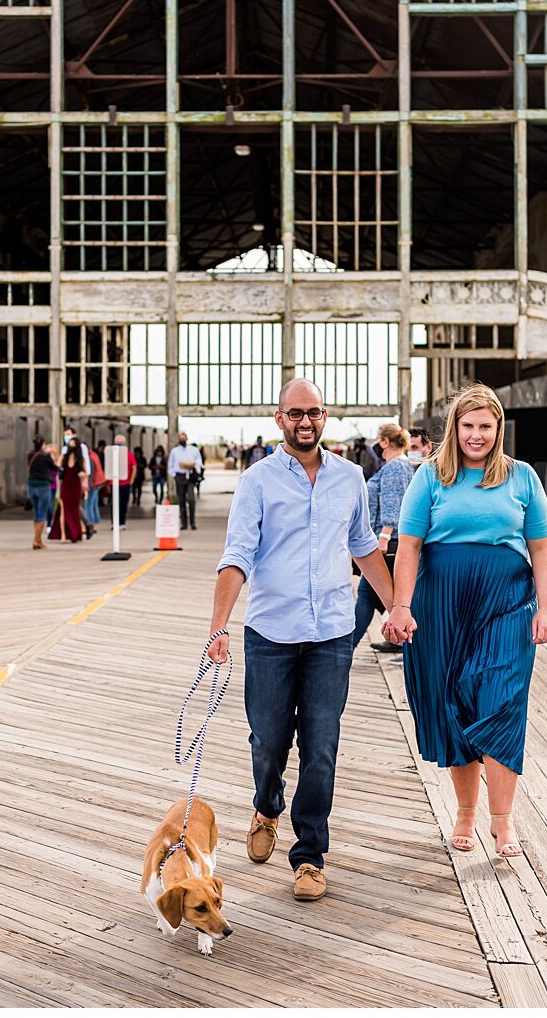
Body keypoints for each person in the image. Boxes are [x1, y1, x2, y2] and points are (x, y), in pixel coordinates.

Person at [208, 380, 403, 903]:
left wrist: (397, 608)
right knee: (267, 741)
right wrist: (218, 625)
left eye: (314, 413)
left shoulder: (350, 477)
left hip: (333, 634)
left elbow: (363, 546)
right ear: (279, 419)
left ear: (325, 417)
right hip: (271, 631)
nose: (305, 422)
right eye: (295, 414)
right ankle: (267, 806)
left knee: (321, 747)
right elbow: (237, 554)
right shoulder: (258, 481)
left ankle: (310, 855)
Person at [383, 385, 547, 859]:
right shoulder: (430, 477)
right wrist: (401, 606)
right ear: (454, 429)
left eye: (486, 426)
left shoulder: (521, 478)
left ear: (498, 430)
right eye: (468, 425)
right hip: (441, 604)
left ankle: (502, 821)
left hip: (506, 602)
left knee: (500, 702)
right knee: (455, 703)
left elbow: (541, 547)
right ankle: (465, 810)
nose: (476, 435)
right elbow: (410, 545)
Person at [353, 423, 416, 653]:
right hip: (393, 540)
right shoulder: (401, 465)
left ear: (386, 442)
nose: (376, 445)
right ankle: (401, 639)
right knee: (384, 595)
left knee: (367, 595)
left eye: (378, 440)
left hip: (388, 541)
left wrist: (383, 537)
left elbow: (393, 503)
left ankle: (345, 648)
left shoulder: (395, 467)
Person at [49, 440, 88, 543]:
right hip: (65, 486)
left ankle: (75, 532)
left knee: (74, 509)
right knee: (63, 509)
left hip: (75, 486)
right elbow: (57, 466)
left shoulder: (80, 459)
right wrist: (54, 455)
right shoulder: (64, 457)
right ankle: (63, 534)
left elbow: (86, 473)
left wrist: (83, 478)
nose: (71, 446)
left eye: (73, 444)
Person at [168, 431, 205, 531]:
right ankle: (184, 523)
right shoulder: (175, 451)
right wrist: (174, 474)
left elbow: (200, 462)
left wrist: (192, 464)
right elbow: (170, 465)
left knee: (191, 499)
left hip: (190, 476)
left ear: (187, 439)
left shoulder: (193, 450)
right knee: (181, 500)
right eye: (181, 438)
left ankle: (192, 522)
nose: (182, 440)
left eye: (184, 438)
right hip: (179, 476)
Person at [26, 441, 60, 549]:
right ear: (43, 444)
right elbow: (54, 467)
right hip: (43, 486)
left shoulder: (30, 455)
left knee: (37, 513)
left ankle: (38, 539)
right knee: (42, 514)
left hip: (32, 485)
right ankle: (37, 540)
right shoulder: (45, 457)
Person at [107, 434, 137, 528]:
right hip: (114, 483)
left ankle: (122, 522)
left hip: (125, 483)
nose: (119, 444)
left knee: (124, 503)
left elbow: (134, 467)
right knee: (115, 503)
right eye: (117, 442)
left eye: (120, 443)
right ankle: (114, 523)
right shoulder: (111, 454)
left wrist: (131, 479)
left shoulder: (129, 454)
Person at [84, 443, 104, 539]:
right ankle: (95, 524)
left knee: (88, 506)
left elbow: (90, 474)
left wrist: (87, 486)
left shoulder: (89, 459)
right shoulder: (94, 455)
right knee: (94, 505)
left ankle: (90, 524)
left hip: (92, 484)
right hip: (97, 483)